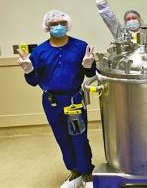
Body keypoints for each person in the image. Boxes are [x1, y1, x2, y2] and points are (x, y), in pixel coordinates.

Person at [17, 10, 96, 188]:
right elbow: (33, 81)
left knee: (79, 137)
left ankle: (87, 173)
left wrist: (88, 66)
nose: (58, 26)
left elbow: (90, 72)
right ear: (47, 27)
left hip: (73, 100)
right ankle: (74, 172)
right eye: (53, 24)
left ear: (67, 24)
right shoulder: (39, 51)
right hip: (51, 101)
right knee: (62, 137)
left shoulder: (80, 46)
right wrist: (29, 70)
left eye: (61, 22)